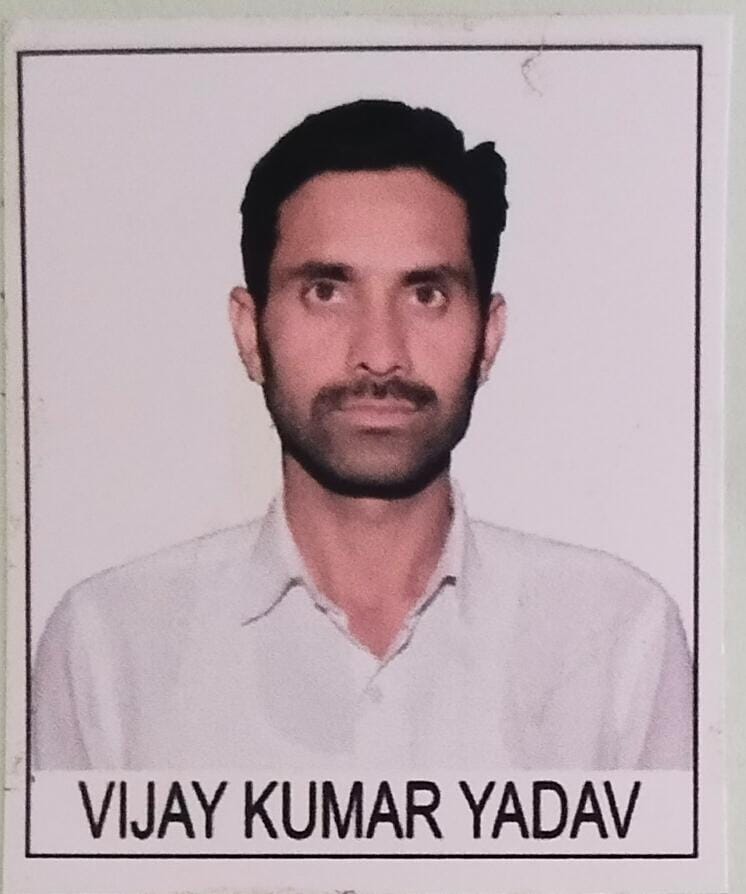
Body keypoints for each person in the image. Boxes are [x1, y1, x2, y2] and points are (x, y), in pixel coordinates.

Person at [32, 99, 692, 771]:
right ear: (250, 333)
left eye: (427, 294)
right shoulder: (106, 649)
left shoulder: (620, 640)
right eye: (325, 291)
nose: (379, 355)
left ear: (488, 338)